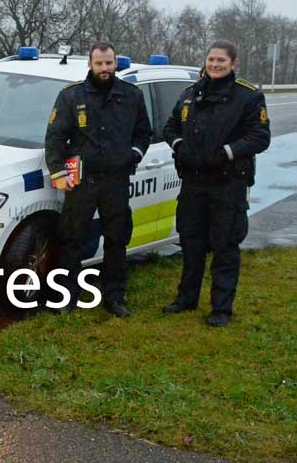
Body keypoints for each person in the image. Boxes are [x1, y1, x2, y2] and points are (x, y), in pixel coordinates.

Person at [162, 40, 270, 327]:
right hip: (193, 183)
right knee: (191, 242)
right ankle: (186, 298)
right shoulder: (190, 94)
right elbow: (170, 126)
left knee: (225, 246)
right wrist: (179, 143)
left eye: (221, 60)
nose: (215, 65)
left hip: (227, 184)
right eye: (211, 60)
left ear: (233, 64)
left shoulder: (248, 97)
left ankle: (221, 308)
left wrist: (226, 153)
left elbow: (260, 136)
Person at [44, 41, 153, 317]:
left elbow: (144, 133)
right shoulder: (72, 96)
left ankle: (115, 297)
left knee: (117, 240)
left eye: (108, 63)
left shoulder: (131, 95)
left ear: (115, 64)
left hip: (116, 181)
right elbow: (55, 137)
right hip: (82, 181)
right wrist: (57, 172)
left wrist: (134, 155)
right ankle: (66, 295)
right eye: (99, 63)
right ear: (90, 64)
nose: (104, 68)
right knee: (71, 239)